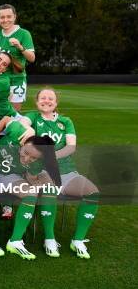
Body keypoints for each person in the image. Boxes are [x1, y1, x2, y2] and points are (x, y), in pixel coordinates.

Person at [24, 88, 99, 259]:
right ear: (37, 102)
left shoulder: (65, 121)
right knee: (49, 190)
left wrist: (51, 156)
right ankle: (49, 238)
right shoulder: (33, 117)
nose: (47, 100)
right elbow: (22, 124)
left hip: (66, 170)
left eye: (51, 98)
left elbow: (71, 146)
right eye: (42, 98)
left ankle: (78, 240)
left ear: (56, 103)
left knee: (92, 193)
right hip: (40, 171)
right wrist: (28, 130)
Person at [0, 116, 61, 260]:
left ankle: (15, 241)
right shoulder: (18, 132)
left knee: (31, 194)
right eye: (26, 153)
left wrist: (39, 184)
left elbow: (32, 177)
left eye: (32, 158)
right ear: (24, 142)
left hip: (9, 176)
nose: (26, 159)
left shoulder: (38, 162)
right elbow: (6, 119)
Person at [0, 4, 35, 112]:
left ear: (14, 17)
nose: (5, 20)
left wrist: (20, 47)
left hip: (16, 81)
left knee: (13, 116)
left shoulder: (24, 34)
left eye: (9, 16)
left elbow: (32, 58)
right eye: (2, 17)